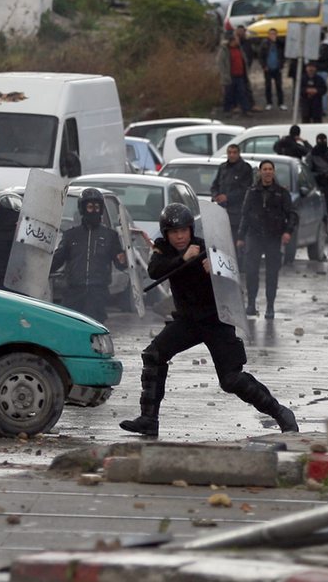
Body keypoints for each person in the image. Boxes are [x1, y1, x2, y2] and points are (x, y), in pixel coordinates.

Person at [120, 203, 299, 437]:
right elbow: (155, 270)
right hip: (187, 321)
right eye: (174, 232)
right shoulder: (163, 250)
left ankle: (281, 413)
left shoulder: (207, 248)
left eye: (183, 230)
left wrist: (217, 267)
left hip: (216, 320)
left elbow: (235, 274)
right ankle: (148, 419)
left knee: (231, 379)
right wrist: (184, 258)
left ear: (191, 229)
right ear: (166, 234)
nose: (180, 236)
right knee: (153, 355)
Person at [51, 188, 127, 323]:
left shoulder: (110, 236)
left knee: (93, 327)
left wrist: (125, 257)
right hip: (74, 291)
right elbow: (58, 259)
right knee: (70, 325)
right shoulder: (71, 235)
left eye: (97, 207)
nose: (94, 211)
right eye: (90, 207)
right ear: (82, 209)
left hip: (98, 292)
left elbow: (121, 264)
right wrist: (41, 268)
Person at [237, 160, 296, 319]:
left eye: (270, 169)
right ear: (260, 172)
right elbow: (245, 214)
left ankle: (270, 306)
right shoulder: (252, 191)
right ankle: (251, 303)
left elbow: (291, 214)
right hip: (254, 236)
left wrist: (287, 232)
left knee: (272, 273)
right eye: (265, 169)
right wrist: (241, 237)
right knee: (251, 272)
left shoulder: (281, 193)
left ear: (274, 172)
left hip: (273, 236)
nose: (268, 172)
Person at [210, 144, 253, 245]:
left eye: (234, 153)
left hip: (237, 213)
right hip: (221, 211)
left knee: (235, 242)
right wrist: (215, 195)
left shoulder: (245, 168)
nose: (232, 155)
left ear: (238, 153)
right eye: (229, 152)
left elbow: (246, 190)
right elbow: (214, 185)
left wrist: (227, 197)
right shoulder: (223, 167)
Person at [218, 32, 250, 117]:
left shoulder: (239, 49)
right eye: (236, 39)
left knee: (242, 93)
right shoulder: (225, 50)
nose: (238, 41)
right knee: (229, 94)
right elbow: (221, 63)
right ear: (232, 41)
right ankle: (227, 110)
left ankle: (245, 110)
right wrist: (225, 75)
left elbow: (243, 60)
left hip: (240, 75)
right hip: (230, 75)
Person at [257, 28, 286, 111]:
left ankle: (281, 103)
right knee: (268, 86)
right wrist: (264, 66)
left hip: (277, 68)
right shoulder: (264, 43)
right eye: (271, 34)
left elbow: (283, 54)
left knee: (279, 86)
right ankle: (269, 103)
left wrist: (281, 65)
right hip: (268, 68)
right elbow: (260, 56)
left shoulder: (279, 43)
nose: (272, 35)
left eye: (274, 34)